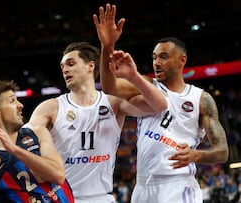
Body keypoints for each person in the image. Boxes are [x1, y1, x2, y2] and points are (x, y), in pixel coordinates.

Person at [93, 4, 229, 203]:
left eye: (164, 57)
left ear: (182, 60)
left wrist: (195, 156)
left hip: (178, 183)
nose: (156, 62)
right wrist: (107, 47)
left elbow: (223, 152)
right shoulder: (146, 85)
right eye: (154, 57)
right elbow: (109, 87)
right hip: (143, 185)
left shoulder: (201, 98)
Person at [25, 38, 167, 203]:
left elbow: (159, 105)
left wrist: (133, 76)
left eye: (71, 64)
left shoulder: (114, 103)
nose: (65, 70)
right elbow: (25, 140)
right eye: (62, 66)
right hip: (63, 198)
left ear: (90, 66)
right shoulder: (50, 107)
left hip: (102, 197)